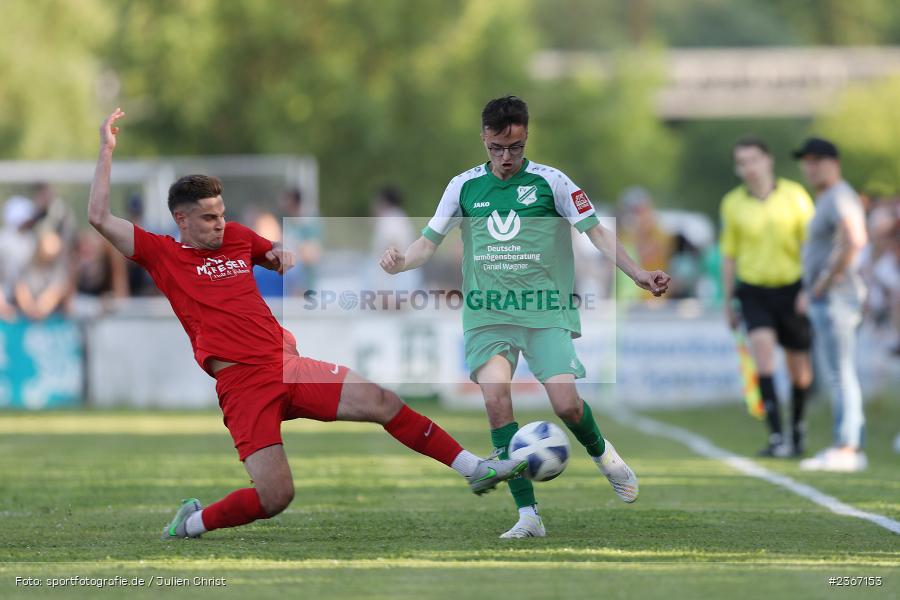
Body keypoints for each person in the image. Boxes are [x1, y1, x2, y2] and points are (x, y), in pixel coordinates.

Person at [87, 108, 527, 541]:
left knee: (381, 400)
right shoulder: (162, 253)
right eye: (208, 217)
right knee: (276, 495)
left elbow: (269, 249)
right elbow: (100, 219)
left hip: (286, 365)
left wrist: (279, 253)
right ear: (181, 219)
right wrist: (106, 150)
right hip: (243, 387)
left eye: (221, 213)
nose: (220, 223)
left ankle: (474, 468)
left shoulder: (237, 236)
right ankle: (192, 522)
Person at [379, 96, 670, 538]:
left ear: (526, 137)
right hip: (487, 313)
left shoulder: (552, 183)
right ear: (484, 138)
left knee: (566, 404)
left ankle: (604, 456)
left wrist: (639, 274)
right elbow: (427, 243)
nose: (506, 158)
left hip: (543, 308)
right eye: (497, 147)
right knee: (497, 402)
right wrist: (401, 262)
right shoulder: (463, 186)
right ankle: (528, 516)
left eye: (514, 147)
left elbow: (598, 233)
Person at [718, 136, 815, 457]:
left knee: (800, 369)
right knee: (763, 356)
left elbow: (811, 249)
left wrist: (808, 289)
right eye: (742, 162)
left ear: (768, 160)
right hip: (754, 290)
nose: (749, 168)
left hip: (792, 289)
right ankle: (776, 436)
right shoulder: (732, 203)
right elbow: (729, 255)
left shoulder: (795, 197)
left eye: (754, 160)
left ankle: (797, 429)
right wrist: (729, 300)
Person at [793, 138, 870, 473]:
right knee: (839, 373)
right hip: (829, 296)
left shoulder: (839, 195)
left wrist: (823, 282)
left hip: (838, 296)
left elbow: (855, 238)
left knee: (841, 374)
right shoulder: (827, 197)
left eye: (816, 160)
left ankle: (848, 446)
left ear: (832, 162)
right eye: (806, 161)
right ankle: (847, 443)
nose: (810, 167)